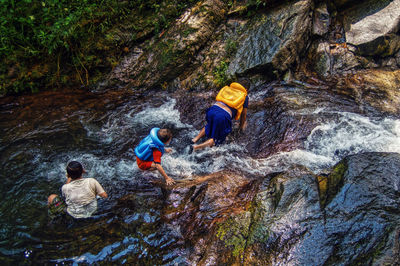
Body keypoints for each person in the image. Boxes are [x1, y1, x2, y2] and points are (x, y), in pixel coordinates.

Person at [191, 79, 250, 151]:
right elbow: (243, 115)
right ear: (246, 89)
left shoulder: (228, 89)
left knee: (210, 125)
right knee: (217, 138)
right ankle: (197, 147)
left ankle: (195, 139)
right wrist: (241, 126)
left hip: (212, 110)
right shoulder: (244, 96)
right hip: (223, 116)